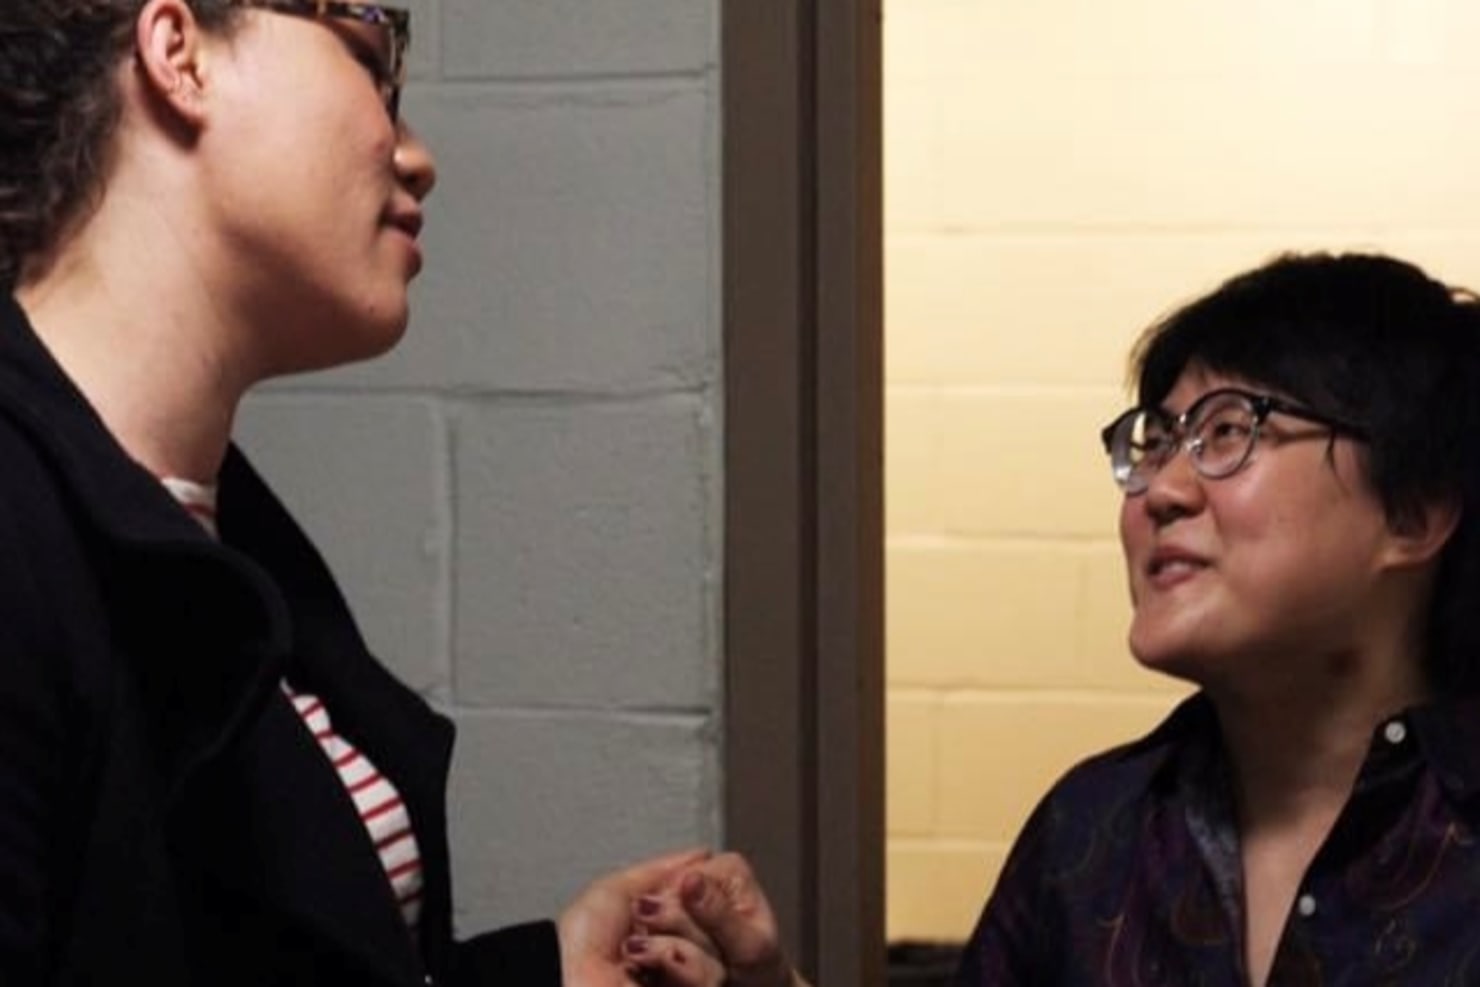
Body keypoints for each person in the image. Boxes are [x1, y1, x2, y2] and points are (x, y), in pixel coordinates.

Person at [0, 2, 803, 985]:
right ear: (181, 54)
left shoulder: (223, 531)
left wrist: (544, 972)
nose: (417, 155)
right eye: (370, 58)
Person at [953, 252, 1480, 986]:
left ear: (1413, 512)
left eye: (1228, 432)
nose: (1162, 490)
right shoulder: (1092, 834)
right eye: (1156, 442)